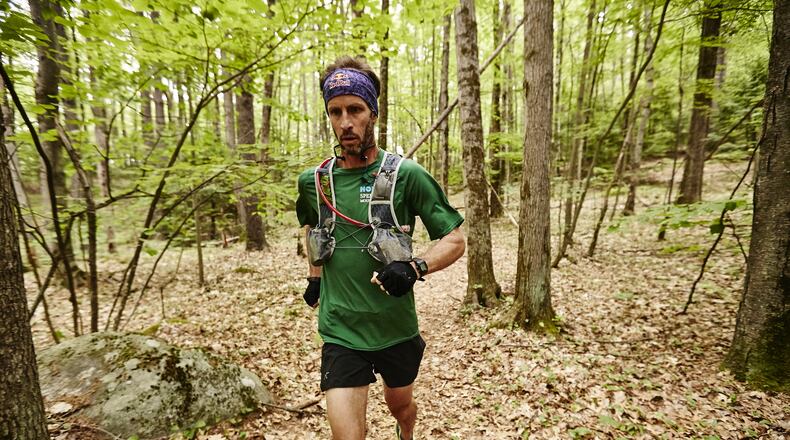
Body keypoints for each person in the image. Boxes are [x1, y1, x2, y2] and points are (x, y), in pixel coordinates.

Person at [295, 56, 466, 440]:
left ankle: (406, 430)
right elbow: (313, 226)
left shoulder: (407, 175)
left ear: (373, 112)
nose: (345, 122)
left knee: (400, 405)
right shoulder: (315, 182)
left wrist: (415, 267)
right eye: (335, 111)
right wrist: (315, 277)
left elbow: (455, 239)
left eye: (355, 110)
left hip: (395, 329)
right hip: (341, 331)